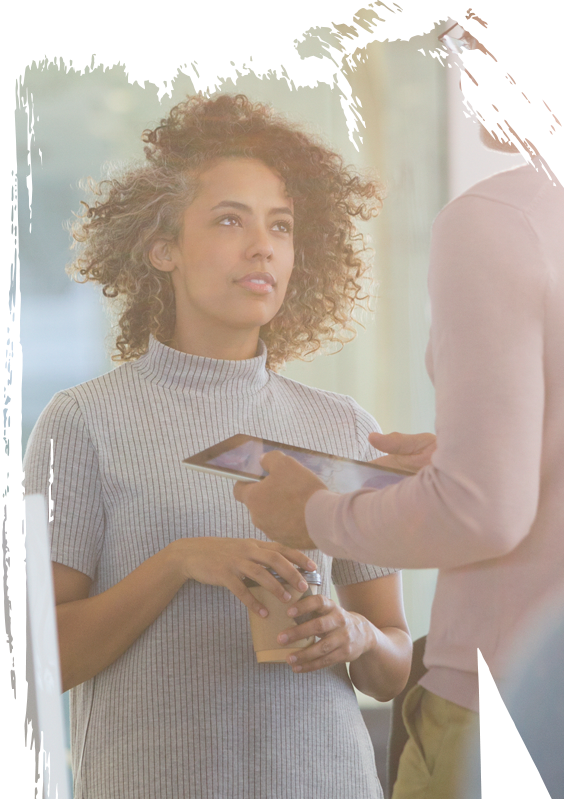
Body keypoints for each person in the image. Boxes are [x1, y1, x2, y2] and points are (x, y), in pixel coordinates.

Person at [22, 94, 414, 799]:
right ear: (161, 245)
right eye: (230, 219)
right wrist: (180, 562)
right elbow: (44, 657)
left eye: (282, 226)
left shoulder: (341, 426)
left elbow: (393, 664)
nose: (262, 245)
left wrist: (354, 635)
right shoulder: (82, 422)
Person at [233, 19, 564, 799]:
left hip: (505, 698)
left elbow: (482, 513)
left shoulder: (501, 221)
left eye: (479, 46)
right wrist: (476, 448)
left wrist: (312, 513)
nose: (464, 70)